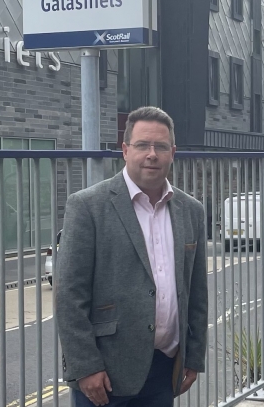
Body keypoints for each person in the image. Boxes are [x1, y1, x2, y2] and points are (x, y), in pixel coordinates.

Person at [56, 106, 208, 407]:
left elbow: (197, 292)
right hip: (104, 375)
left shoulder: (191, 211)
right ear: (125, 150)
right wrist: (85, 366)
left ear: (172, 152)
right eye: (142, 145)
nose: (152, 154)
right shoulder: (88, 206)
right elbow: (69, 295)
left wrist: (194, 355)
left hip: (165, 368)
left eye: (161, 146)